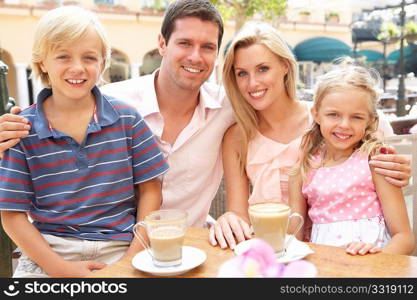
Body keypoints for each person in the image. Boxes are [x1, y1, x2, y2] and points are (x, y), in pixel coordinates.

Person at [0, 1, 411, 229]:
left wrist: (393, 159)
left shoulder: (238, 111)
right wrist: (12, 126)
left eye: (208, 47)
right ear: (161, 44)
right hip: (114, 239)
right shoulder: (111, 104)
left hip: (211, 243)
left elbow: (353, 126)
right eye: (184, 43)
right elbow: (55, 112)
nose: (195, 57)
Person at [208, 22, 412, 250]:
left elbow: (387, 170)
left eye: (263, 68)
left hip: (335, 252)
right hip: (271, 250)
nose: (252, 82)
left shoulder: (329, 119)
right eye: (242, 73)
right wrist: (229, 220)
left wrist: (403, 169)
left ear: (285, 66)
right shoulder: (237, 137)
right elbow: (238, 213)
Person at [0, 6, 169, 278]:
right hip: (49, 252)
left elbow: (151, 190)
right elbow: (11, 215)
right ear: (42, 61)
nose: (77, 67)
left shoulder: (127, 119)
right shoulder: (21, 129)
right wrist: (60, 268)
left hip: (122, 246)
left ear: (103, 62)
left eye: (89, 57)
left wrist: (131, 259)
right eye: (63, 56)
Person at [289, 61, 415, 255]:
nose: (344, 125)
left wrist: (378, 262)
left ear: (370, 121)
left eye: (356, 117)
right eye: (333, 114)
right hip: (325, 271)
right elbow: (293, 240)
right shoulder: (304, 167)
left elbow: (404, 238)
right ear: (316, 114)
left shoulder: (375, 160)